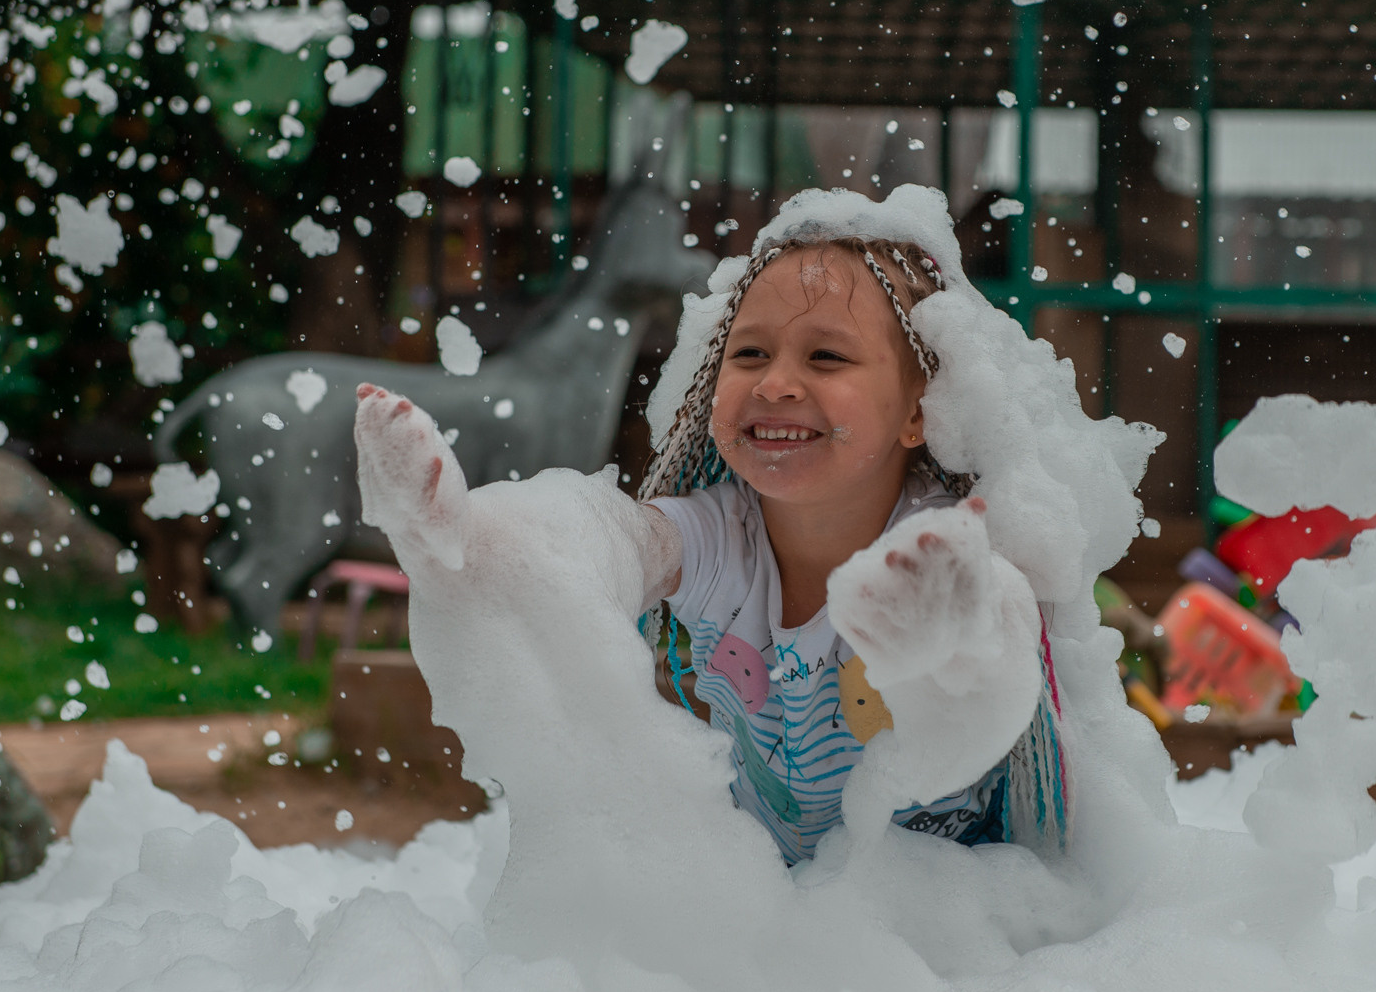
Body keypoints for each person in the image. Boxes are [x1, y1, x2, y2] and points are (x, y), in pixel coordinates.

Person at [360, 217, 1067, 868]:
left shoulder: (935, 545)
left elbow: (1005, 659)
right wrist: (470, 537)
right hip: (782, 909)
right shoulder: (722, 532)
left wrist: (955, 613)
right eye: (750, 351)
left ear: (918, 411)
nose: (776, 382)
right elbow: (615, 538)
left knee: (960, 624)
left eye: (826, 355)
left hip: (948, 911)